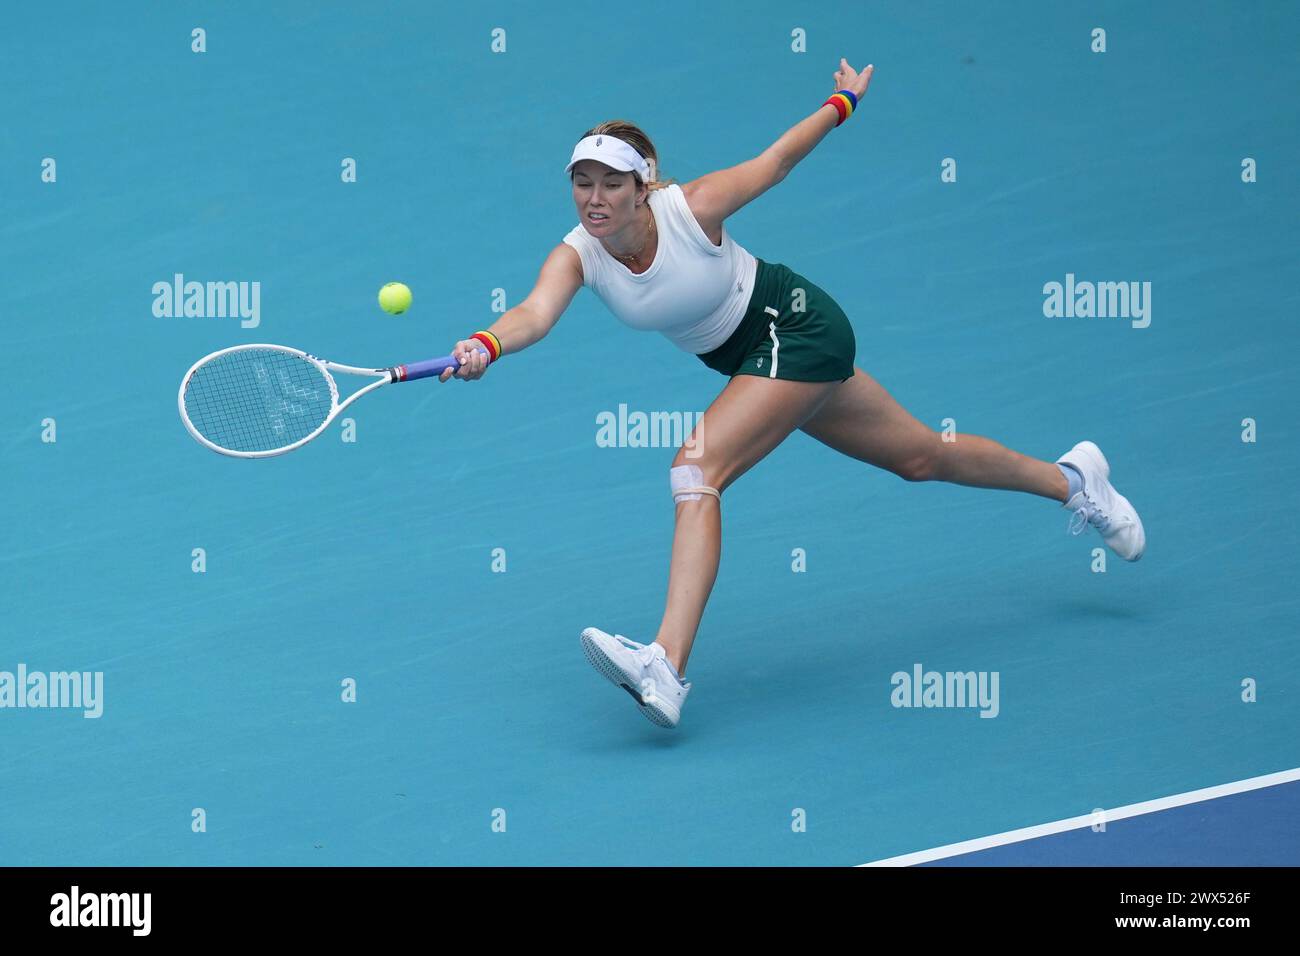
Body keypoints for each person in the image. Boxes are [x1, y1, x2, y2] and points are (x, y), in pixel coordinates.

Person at [438, 59, 1145, 729]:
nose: (594, 198)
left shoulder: (693, 207)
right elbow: (533, 313)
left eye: (610, 184)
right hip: (755, 360)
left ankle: (665, 665)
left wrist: (841, 104)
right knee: (921, 457)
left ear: (643, 186)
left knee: (695, 468)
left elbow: (774, 162)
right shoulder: (577, 253)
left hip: (795, 326)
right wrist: (486, 344)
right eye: (581, 182)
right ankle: (1076, 479)